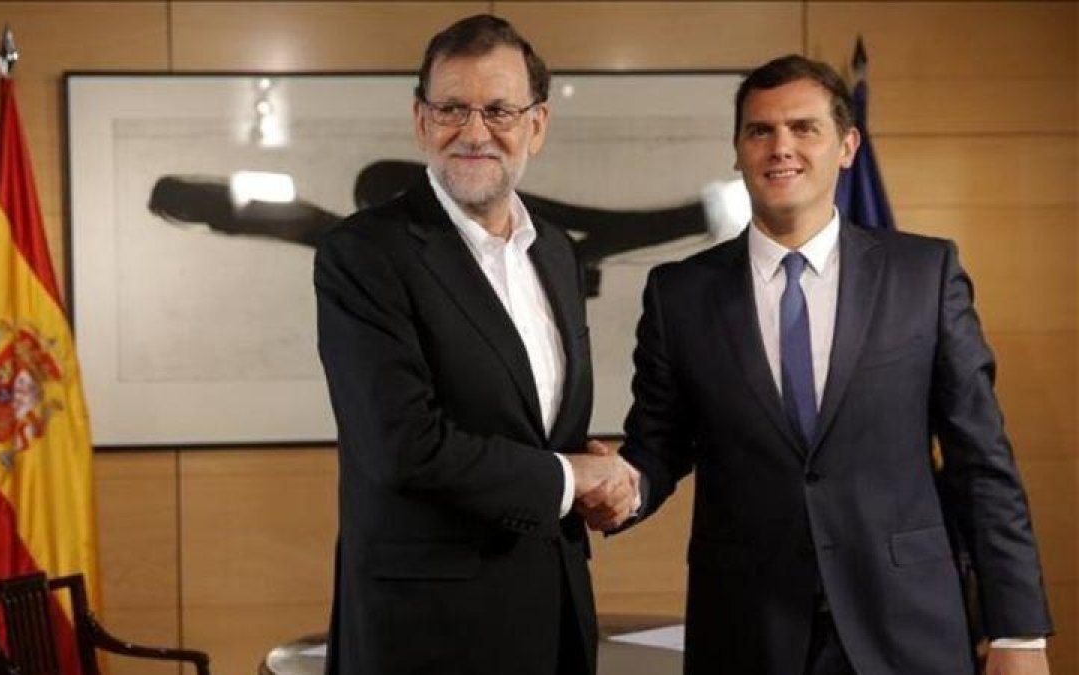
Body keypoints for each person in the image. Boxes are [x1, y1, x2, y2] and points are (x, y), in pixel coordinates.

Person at [606, 54, 1053, 674]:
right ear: (737, 150)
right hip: (748, 627)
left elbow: (981, 460)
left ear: (847, 146)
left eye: (803, 128)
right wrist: (624, 489)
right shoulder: (679, 293)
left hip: (905, 625)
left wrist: (1018, 631)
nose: (779, 146)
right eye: (759, 130)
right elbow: (658, 443)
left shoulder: (925, 274)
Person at [314, 14, 637, 675]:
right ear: (420, 119)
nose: (474, 131)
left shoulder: (554, 252)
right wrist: (571, 476)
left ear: (537, 125)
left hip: (555, 614)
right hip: (425, 636)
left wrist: (600, 473)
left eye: (499, 110)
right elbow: (404, 446)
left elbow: (534, 421)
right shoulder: (366, 253)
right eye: (452, 108)